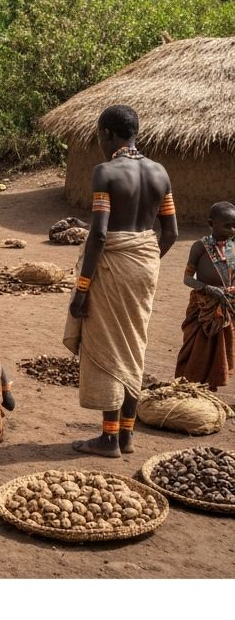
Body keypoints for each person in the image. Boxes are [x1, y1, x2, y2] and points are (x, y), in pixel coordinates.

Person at [63, 104, 178, 458]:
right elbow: (170, 233)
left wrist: (82, 290)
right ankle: (126, 436)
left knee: (110, 348)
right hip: (144, 265)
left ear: (109, 134)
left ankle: (109, 438)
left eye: (100, 135)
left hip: (113, 265)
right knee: (133, 345)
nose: (100, 142)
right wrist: (144, 261)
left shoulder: (106, 172)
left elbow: (98, 235)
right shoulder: (160, 173)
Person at [174, 201, 235, 390]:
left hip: (225, 307)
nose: (232, 230)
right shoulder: (200, 247)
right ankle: (189, 385)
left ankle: (211, 388)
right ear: (211, 224)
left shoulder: (232, 248)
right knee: (196, 349)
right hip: (202, 306)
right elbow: (187, 279)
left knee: (220, 351)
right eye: (227, 225)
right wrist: (210, 289)